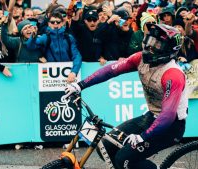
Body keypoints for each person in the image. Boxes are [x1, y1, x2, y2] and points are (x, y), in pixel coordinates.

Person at [63, 23, 188, 169]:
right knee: (106, 146)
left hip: (171, 126)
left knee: (124, 160)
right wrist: (80, 85)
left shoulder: (173, 74)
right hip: (151, 116)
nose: (149, 47)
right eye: (149, 40)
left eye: (157, 44)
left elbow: (167, 115)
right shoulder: (140, 58)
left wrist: (142, 137)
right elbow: (111, 70)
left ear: (169, 50)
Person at [26, 12, 82, 83]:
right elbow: (30, 46)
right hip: (50, 78)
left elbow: (77, 55)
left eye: (58, 22)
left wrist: (74, 72)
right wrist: (33, 36)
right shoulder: (45, 37)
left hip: (69, 74)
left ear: (62, 23)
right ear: (49, 24)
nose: (55, 24)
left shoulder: (69, 38)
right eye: (52, 22)